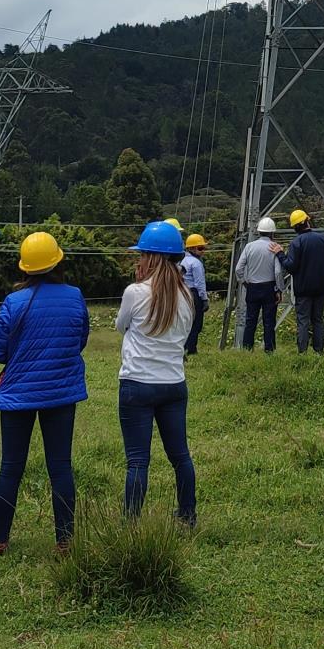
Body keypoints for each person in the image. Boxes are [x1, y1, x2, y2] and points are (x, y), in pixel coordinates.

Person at [0, 230, 88, 554]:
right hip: (61, 392)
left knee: (10, 468)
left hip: (18, 395)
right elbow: (80, 340)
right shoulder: (75, 296)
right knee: (60, 466)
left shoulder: (13, 303)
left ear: (25, 267)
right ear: (58, 261)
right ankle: (65, 541)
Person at [116, 220, 197, 525]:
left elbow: (120, 326)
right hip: (174, 384)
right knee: (180, 456)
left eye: (141, 254)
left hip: (137, 383)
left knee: (137, 460)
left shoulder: (135, 292)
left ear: (150, 258)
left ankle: (131, 522)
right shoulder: (187, 296)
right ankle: (188, 516)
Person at [282, 207, 324, 355]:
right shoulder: (322, 238)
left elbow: (290, 266)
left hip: (303, 288)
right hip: (321, 286)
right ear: (307, 221)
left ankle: (302, 352)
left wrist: (280, 255)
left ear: (295, 227)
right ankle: (319, 351)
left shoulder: (296, 243)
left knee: (303, 321)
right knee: (317, 319)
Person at [234, 215, 286, 352]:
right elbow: (277, 272)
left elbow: (238, 269)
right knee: (269, 322)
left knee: (250, 321)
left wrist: (244, 282)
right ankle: (269, 350)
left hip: (252, 287)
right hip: (269, 288)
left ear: (258, 231)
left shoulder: (249, 247)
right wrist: (280, 289)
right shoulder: (274, 247)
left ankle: (247, 349)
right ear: (272, 232)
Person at [181, 233, 211, 356]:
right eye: (200, 248)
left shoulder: (182, 260)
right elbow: (200, 283)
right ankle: (191, 349)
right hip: (194, 293)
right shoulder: (196, 263)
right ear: (191, 249)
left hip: (182, 293)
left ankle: (184, 347)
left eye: (203, 248)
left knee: (185, 322)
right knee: (196, 323)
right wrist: (204, 299)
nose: (203, 251)